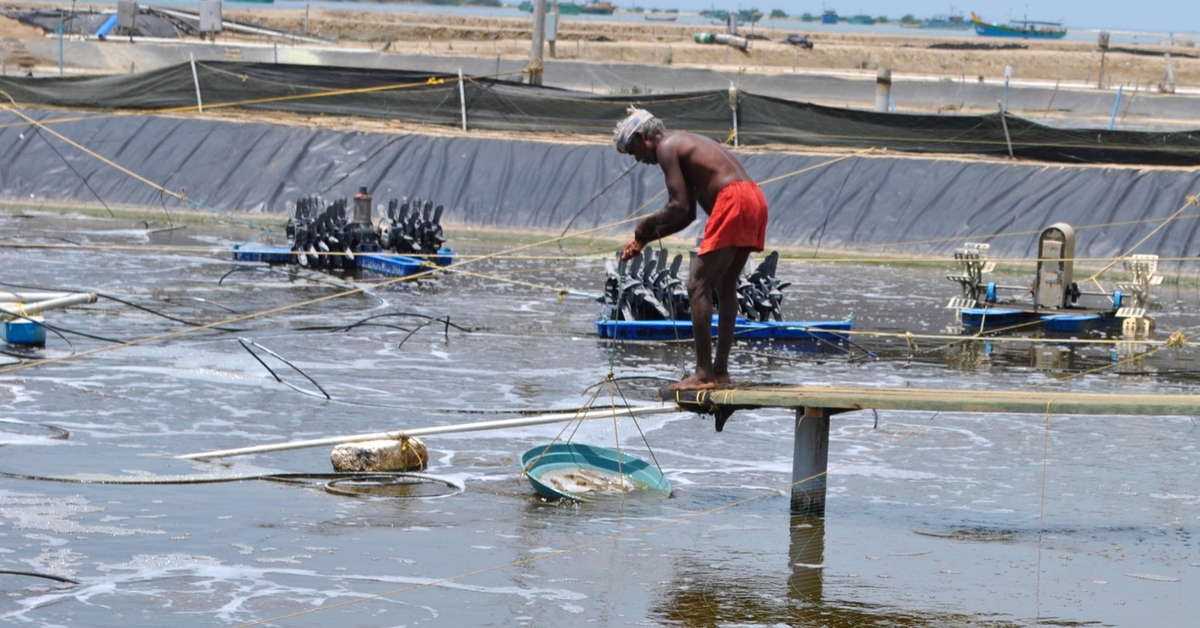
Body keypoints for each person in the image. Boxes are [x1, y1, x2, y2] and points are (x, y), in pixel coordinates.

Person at [614, 107, 768, 391]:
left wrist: (641, 228)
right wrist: (643, 240)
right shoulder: (682, 140)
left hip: (732, 199)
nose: (637, 159)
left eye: (632, 150)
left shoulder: (666, 147)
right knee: (725, 284)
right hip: (753, 197)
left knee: (697, 285)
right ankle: (719, 372)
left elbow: (678, 206)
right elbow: (687, 215)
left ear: (640, 138)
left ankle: (703, 374)